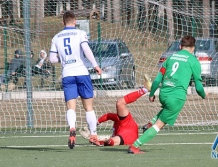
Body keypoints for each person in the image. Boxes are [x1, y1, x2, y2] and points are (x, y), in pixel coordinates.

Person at [128, 35, 208, 154]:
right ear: (193, 48)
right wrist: (204, 96)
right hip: (176, 97)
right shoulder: (193, 61)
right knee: (159, 125)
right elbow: (199, 87)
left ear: (180, 46)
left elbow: (156, 80)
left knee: (167, 110)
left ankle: (149, 124)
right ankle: (135, 146)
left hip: (163, 94)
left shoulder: (170, 58)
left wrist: (151, 93)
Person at [49, 10, 102, 149]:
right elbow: (86, 49)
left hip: (67, 74)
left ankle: (72, 127)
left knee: (70, 107)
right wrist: (96, 65)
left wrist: (64, 58)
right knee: (88, 107)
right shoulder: (80, 33)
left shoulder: (56, 37)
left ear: (63, 22)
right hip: (82, 72)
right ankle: (94, 134)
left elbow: (52, 59)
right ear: (75, 21)